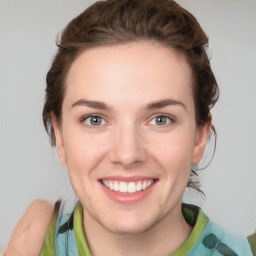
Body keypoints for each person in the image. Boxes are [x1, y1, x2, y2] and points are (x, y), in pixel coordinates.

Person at [5, 0, 255, 255]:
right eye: (95, 119)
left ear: (199, 137)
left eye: (160, 119)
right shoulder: (30, 245)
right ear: (60, 136)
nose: (127, 155)